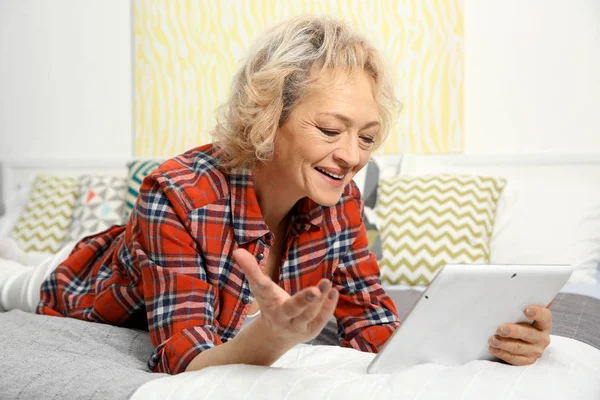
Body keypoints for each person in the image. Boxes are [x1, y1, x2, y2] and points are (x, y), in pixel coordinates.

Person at [0, 14, 553, 374]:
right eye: (330, 130)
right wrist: (271, 339)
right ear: (269, 119)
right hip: (78, 281)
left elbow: (370, 322)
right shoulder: (176, 193)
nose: (352, 156)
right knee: (11, 279)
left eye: (366, 137)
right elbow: (182, 356)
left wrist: (494, 339)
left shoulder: (339, 200)